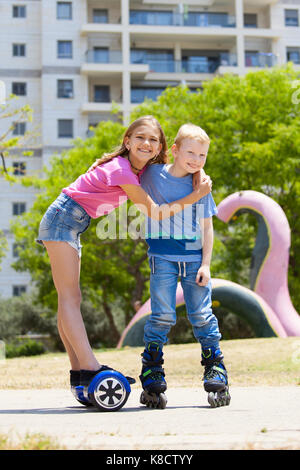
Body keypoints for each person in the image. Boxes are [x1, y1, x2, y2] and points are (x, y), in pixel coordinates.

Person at [36, 116, 212, 401]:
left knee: (67, 299)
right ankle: (90, 367)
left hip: (71, 222)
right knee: (70, 299)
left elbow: (173, 171)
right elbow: (155, 212)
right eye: (140, 137)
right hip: (63, 220)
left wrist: (196, 173)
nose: (147, 143)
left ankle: (79, 372)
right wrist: (196, 195)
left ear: (160, 148)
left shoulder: (137, 170)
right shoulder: (122, 171)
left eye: (153, 140)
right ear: (127, 141)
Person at [138, 123, 230, 409]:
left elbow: (207, 227)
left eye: (202, 156)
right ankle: (152, 368)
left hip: (193, 260)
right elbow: (131, 169)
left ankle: (215, 367)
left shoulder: (199, 185)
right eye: (190, 153)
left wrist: (206, 264)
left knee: (201, 315)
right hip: (161, 257)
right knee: (162, 315)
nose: (196, 160)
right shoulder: (153, 175)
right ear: (175, 151)